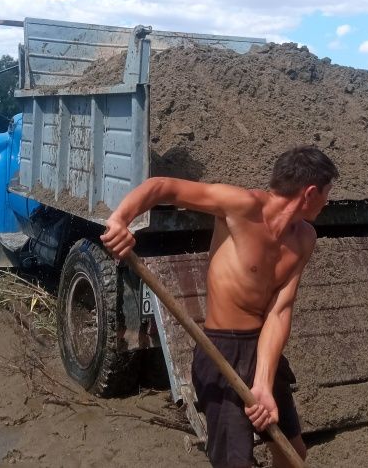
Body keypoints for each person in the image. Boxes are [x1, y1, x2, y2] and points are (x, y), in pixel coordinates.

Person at [100, 145, 339, 468]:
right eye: (327, 192)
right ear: (310, 192)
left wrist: (264, 385)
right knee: (234, 462)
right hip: (222, 351)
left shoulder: (304, 239)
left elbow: (279, 311)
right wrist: (120, 220)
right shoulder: (241, 206)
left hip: (263, 350)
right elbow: (161, 187)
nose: (327, 201)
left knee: (293, 452)